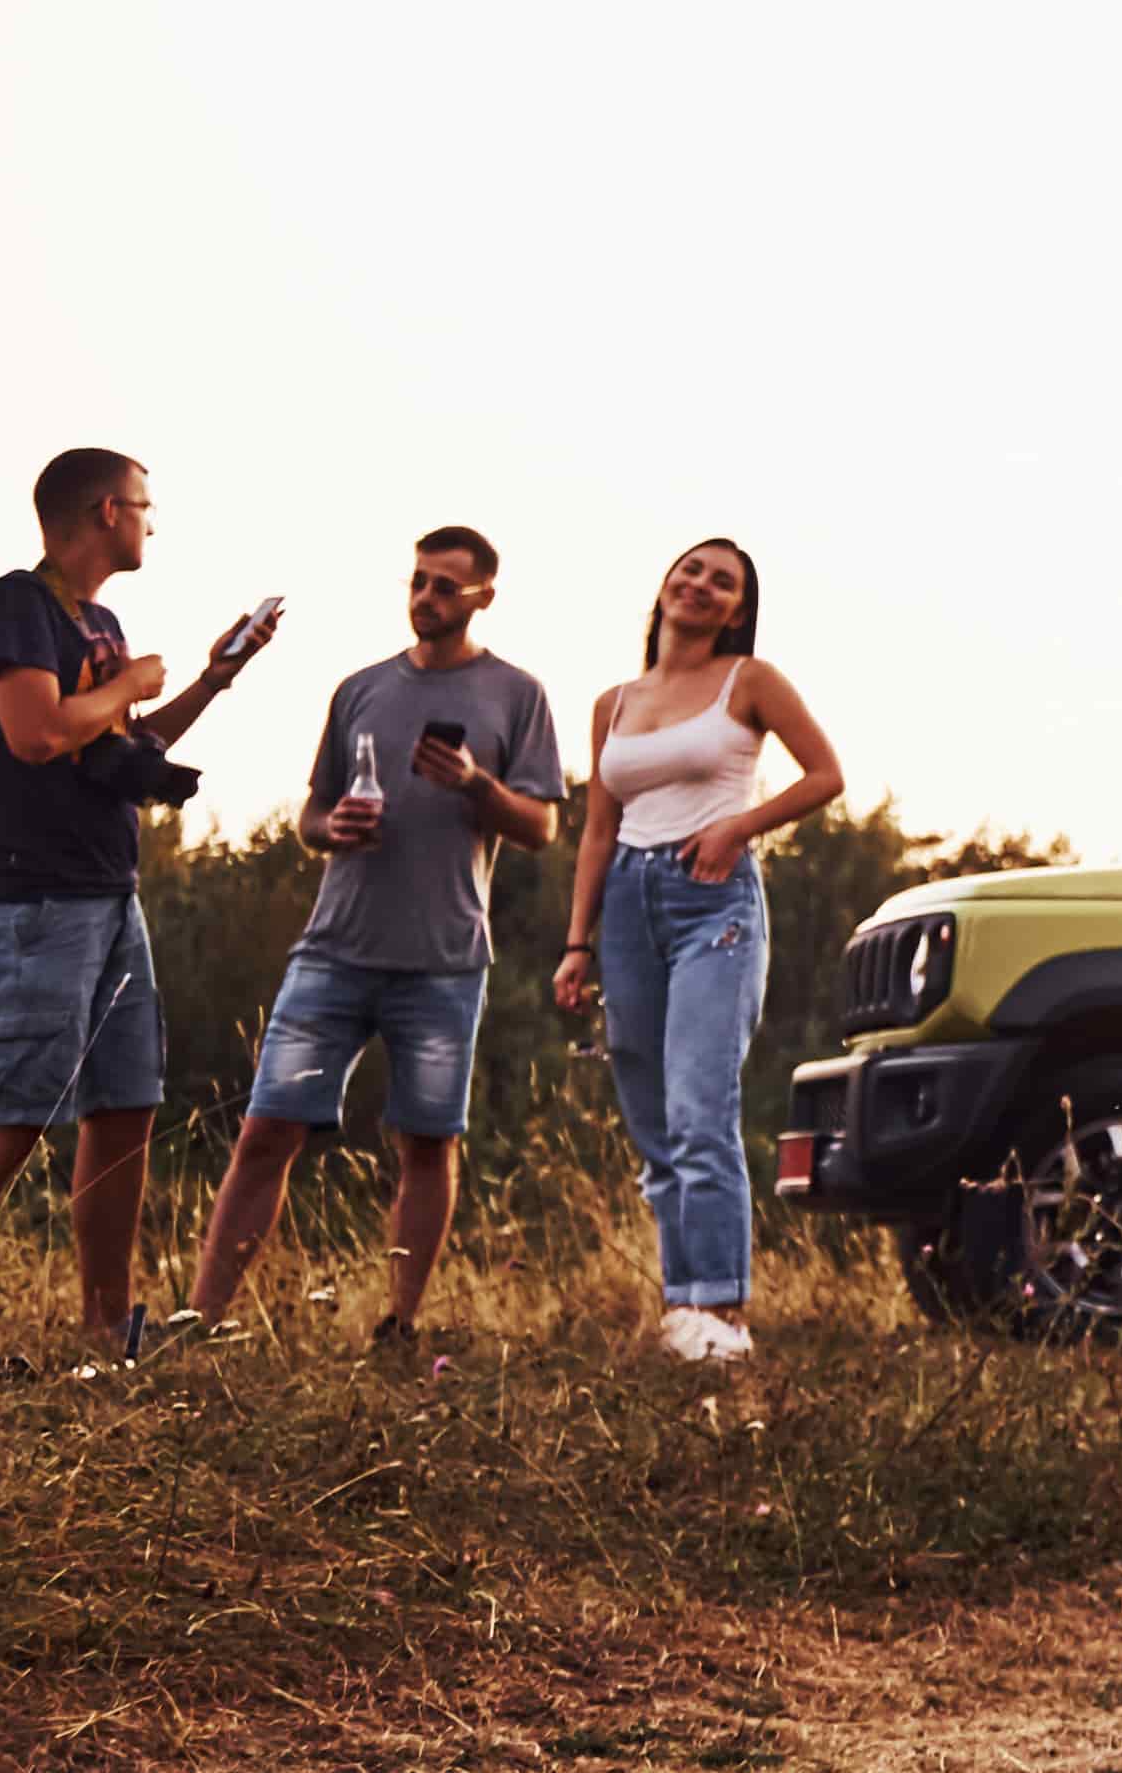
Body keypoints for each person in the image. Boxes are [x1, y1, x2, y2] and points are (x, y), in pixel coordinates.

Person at [0, 448, 278, 1354]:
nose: (150, 521)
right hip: (35, 904)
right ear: (107, 511)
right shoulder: (14, 607)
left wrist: (213, 678)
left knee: (126, 1106)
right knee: (18, 1117)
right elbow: (36, 735)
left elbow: (119, 747)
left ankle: (107, 1331)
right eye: (144, 505)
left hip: (112, 897)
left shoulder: (96, 620)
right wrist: (127, 683)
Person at [186, 526, 564, 1344]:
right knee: (266, 1130)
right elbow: (310, 818)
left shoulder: (516, 694)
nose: (426, 599)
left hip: (444, 962)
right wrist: (334, 828)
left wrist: (474, 785)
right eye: (419, 582)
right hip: (334, 952)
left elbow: (539, 827)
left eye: (445, 588)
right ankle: (202, 1317)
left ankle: (399, 1324)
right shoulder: (360, 689)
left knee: (427, 1144)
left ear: (483, 598)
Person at [549, 536, 842, 1363]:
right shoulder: (613, 703)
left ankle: (723, 1310)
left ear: (739, 610)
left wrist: (739, 826)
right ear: (666, 585)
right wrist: (579, 944)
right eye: (693, 570)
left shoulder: (749, 682)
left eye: (724, 582)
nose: (702, 585)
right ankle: (685, 1313)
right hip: (628, 910)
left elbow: (825, 774)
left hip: (713, 900)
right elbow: (597, 830)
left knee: (698, 1107)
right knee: (650, 1117)